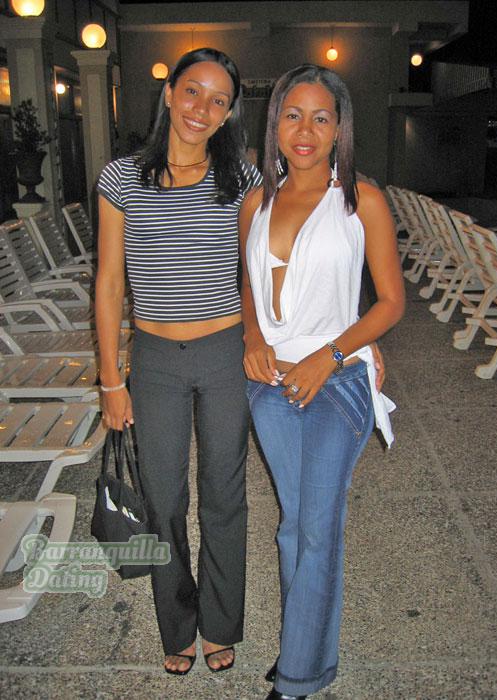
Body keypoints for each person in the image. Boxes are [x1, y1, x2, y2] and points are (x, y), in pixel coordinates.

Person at [239, 64, 405, 699]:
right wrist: (253, 338)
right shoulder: (256, 202)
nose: (305, 130)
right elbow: (247, 285)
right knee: (293, 525)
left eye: (320, 118)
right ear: (275, 124)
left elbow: (390, 302)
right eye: (293, 115)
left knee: (317, 528)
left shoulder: (362, 201)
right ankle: (305, 646)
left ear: (339, 130)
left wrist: (331, 355)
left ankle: (298, 678)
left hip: (337, 382)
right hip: (269, 382)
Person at [95, 48, 262, 676]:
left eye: (219, 100)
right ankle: (177, 623)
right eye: (193, 91)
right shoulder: (121, 179)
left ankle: (220, 623)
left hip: (223, 354)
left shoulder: (241, 179)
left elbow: (258, 271)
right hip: (156, 358)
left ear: (228, 113)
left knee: (224, 494)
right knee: (163, 497)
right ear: (169, 94)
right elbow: (109, 283)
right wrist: (111, 379)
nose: (202, 108)